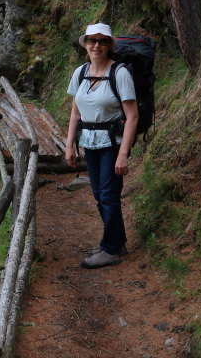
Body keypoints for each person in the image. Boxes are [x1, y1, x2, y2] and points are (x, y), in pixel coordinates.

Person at [65, 23, 139, 269]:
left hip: (112, 144)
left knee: (108, 195)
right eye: (92, 40)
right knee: (99, 194)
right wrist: (69, 146)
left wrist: (123, 154)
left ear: (109, 45)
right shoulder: (81, 72)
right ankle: (117, 242)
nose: (97, 45)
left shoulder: (120, 73)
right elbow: (75, 113)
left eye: (103, 41)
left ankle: (109, 249)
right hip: (89, 143)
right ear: (85, 43)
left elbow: (132, 116)